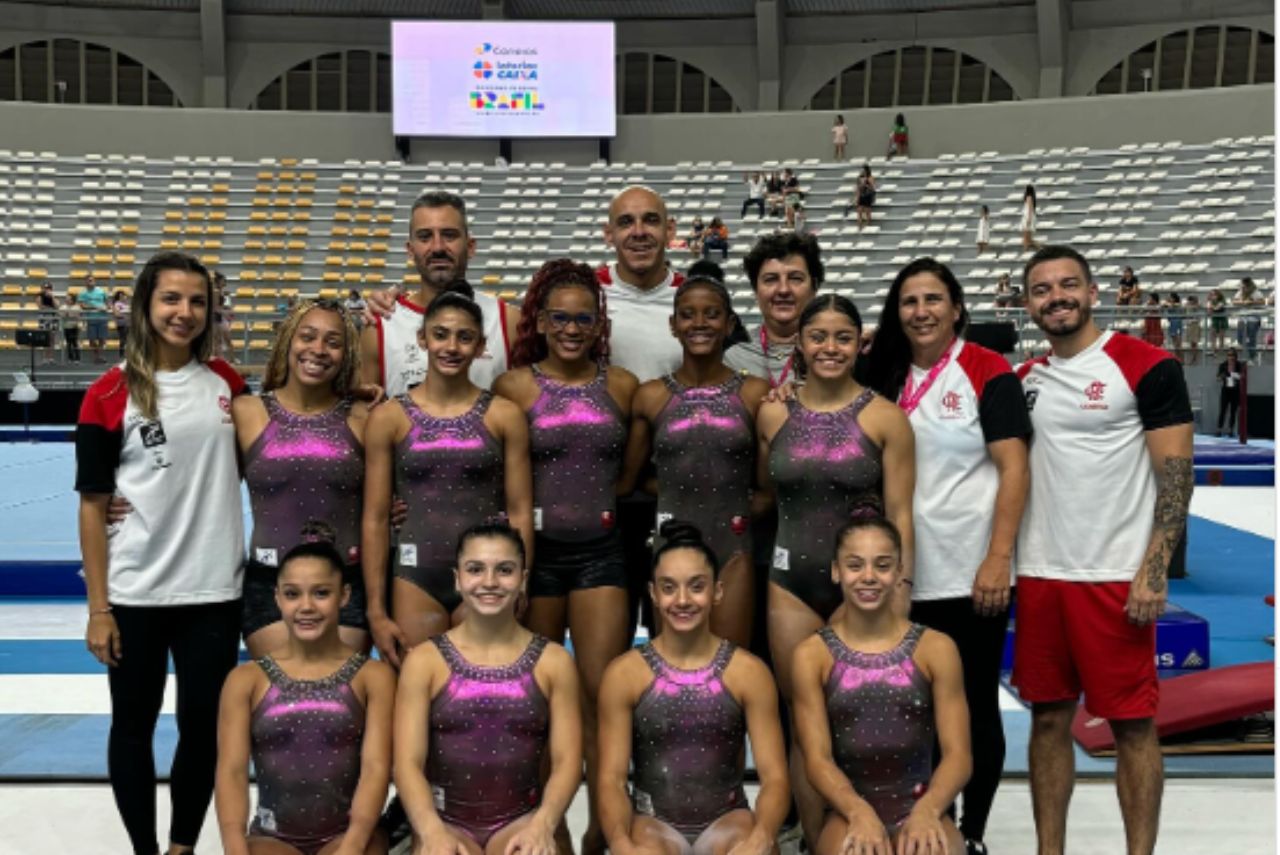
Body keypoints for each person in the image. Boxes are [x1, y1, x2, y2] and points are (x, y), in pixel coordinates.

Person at [1015, 245, 1193, 855]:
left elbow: (1176, 476)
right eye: (1041, 289)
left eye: (1068, 285)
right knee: (1046, 720)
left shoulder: (1144, 364)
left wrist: (1154, 568)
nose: (1056, 297)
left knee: (1132, 725)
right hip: (1038, 572)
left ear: (1093, 292)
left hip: (1114, 576)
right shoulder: (1025, 380)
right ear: (1028, 303)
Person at [76, 251, 246, 855]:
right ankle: (144, 850)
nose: (185, 312)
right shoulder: (108, 392)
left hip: (214, 591)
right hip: (135, 593)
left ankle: (181, 847)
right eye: (171, 299)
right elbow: (94, 507)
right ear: (146, 305)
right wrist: (99, 608)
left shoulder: (228, 384)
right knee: (133, 729)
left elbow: (280, 458)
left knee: (204, 729)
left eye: (197, 301)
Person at [859, 257, 1031, 853]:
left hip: (967, 572)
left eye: (933, 299)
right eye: (909, 301)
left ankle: (972, 831)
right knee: (909, 709)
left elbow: (1015, 469)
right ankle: (925, 819)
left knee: (973, 704)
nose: (921, 311)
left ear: (956, 308)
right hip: (893, 575)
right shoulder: (882, 372)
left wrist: (997, 558)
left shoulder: (987, 370)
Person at [756, 293, 915, 845]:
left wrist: (902, 589)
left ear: (859, 342)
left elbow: (900, 515)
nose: (830, 348)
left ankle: (865, 827)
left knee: (856, 719)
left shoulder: (885, 417)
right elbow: (762, 494)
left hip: (864, 586)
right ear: (798, 343)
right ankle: (812, 838)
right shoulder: (773, 412)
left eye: (842, 337)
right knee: (804, 724)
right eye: (818, 336)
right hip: (790, 583)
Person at [494, 258, 637, 855]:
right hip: (538, 556)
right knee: (539, 698)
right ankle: (545, 831)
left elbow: (629, 472)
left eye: (584, 318)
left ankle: (604, 831)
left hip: (600, 551)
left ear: (598, 324)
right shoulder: (515, 387)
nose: (573, 328)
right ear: (543, 323)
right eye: (561, 318)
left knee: (603, 696)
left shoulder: (622, 385)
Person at [361, 284, 533, 663]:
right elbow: (374, 517)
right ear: (422, 339)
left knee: (483, 700)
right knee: (416, 700)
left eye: (464, 337)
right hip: (415, 575)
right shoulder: (389, 418)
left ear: (480, 346)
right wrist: (376, 608)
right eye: (440, 334)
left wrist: (523, 584)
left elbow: (520, 509)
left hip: (488, 576)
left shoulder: (504, 416)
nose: (451, 347)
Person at [597, 521, 790, 855]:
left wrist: (762, 837)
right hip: (653, 825)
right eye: (669, 588)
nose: (682, 600)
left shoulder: (748, 672)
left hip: (728, 821)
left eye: (696, 587)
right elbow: (611, 780)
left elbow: (775, 778)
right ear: (654, 594)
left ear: (717, 591)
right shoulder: (625, 674)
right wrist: (619, 842)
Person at [393, 522, 582, 855]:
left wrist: (543, 825)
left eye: (505, 570)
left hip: (521, 820)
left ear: (523, 579)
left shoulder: (553, 661)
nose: (490, 582)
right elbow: (407, 763)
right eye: (475, 569)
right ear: (457, 578)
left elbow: (568, 761)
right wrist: (431, 831)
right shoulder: (425, 661)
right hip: (444, 821)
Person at [790, 516, 970, 855]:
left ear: (900, 570)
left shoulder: (936, 648)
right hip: (849, 810)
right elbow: (817, 759)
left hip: (920, 803)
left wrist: (929, 810)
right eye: (855, 565)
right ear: (836, 571)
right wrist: (857, 812)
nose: (869, 577)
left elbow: (959, 755)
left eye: (882, 565)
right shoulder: (812, 656)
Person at [215, 538, 395, 855]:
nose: (306, 606)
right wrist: (233, 845)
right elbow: (231, 770)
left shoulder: (373, 677)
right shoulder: (245, 680)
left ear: (344, 596)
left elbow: (376, 768)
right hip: (272, 838)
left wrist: (353, 843)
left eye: (321, 593)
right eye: (292, 594)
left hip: (349, 835)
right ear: (277, 598)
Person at [622, 263, 769, 648]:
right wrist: (677, 490)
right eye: (687, 315)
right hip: (671, 546)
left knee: (731, 667)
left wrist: (735, 503)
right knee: (672, 670)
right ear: (673, 325)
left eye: (712, 314)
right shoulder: (651, 396)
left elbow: (769, 488)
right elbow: (630, 481)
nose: (699, 323)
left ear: (729, 322)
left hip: (733, 546)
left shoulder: (754, 394)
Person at [235, 299, 373, 658]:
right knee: (280, 706)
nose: (318, 350)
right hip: (269, 582)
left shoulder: (366, 417)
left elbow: (390, 497)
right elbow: (203, 487)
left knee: (340, 709)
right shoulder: (246, 413)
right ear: (288, 342)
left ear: (347, 353)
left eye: (333, 341)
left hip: (346, 583)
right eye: (307, 337)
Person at [359, 190, 520, 395]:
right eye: (425, 237)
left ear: (470, 247)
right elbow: (365, 412)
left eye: (449, 235)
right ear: (410, 250)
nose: (437, 247)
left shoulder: (508, 321)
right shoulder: (381, 323)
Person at [79, 275, 110, 363]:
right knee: (91, 340)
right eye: (89, 280)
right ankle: (98, 355)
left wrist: (107, 307)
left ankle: (98, 357)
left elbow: (107, 302)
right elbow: (82, 305)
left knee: (102, 338)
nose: (91, 282)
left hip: (102, 317)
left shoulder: (101, 291)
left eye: (92, 280)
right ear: (85, 282)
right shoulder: (83, 293)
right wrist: (95, 307)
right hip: (91, 318)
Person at [1233, 276, 1264, 362]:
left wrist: (1252, 302)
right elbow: (1234, 301)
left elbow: (1262, 301)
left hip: (1253, 319)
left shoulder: (1256, 292)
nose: (1243, 287)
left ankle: (1252, 356)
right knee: (1240, 338)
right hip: (1242, 318)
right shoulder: (1240, 292)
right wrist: (1242, 302)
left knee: (1251, 338)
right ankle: (1246, 353)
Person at [1216, 348, 1244, 437]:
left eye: (1232, 355)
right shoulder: (1223, 365)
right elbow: (1218, 377)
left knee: (1233, 411)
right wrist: (1222, 376)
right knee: (1223, 410)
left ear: (1235, 357)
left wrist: (1232, 374)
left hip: (1235, 391)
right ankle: (1219, 429)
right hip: (1226, 390)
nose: (1231, 357)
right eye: (1229, 355)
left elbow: (1242, 376)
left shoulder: (1239, 365)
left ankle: (1230, 430)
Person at [1207, 287, 1229, 354]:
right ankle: (1213, 349)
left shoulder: (1222, 301)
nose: (1212, 296)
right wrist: (1211, 307)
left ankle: (1221, 349)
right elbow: (1209, 311)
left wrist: (1211, 308)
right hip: (1215, 319)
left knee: (1221, 335)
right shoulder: (1209, 302)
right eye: (1211, 295)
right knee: (1213, 334)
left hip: (1222, 319)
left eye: (1214, 295)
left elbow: (1217, 308)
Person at [854, 165, 876, 229]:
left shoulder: (870, 178)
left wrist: (866, 185)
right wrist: (857, 198)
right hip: (861, 196)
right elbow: (858, 188)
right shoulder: (859, 178)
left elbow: (873, 188)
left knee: (867, 212)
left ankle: (868, 226)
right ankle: (859, 227)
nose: (862, 172)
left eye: (863, 170)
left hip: (868, 196)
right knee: (859, 211)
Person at [111, 289, 131, 357]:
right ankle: (121, 354)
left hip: (129, 324)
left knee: (129, 340)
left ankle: (128, 354)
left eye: (124, 295)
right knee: (123, 339)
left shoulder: (127, 304)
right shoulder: (117, 304)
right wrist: (125, 316)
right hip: (122, 324)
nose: (124, 297)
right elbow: (117, 314)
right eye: (121, 296)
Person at [1163, 293, 1183, 357]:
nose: (1169, 298)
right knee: (1174, 341)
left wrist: (1168, 303)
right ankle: (1177, 357)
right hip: (1172, 322)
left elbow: (1173, 305)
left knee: (1178, 342)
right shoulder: (1168, 304)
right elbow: (1163, 305)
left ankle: (1180, 358)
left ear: (1174, 298)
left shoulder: (1177, 304)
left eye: (1170, 297)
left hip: (1176, 322)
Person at [1019, 185, 1037, 251]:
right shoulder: (1031, 198)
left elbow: (1030, 209)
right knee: (1028, 239)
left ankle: (1025, 251)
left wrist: (1029, 219)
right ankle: (1040, 248)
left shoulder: (1029, 197)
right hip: (1029, 217)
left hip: (1027, 217)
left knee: (1026, 238)